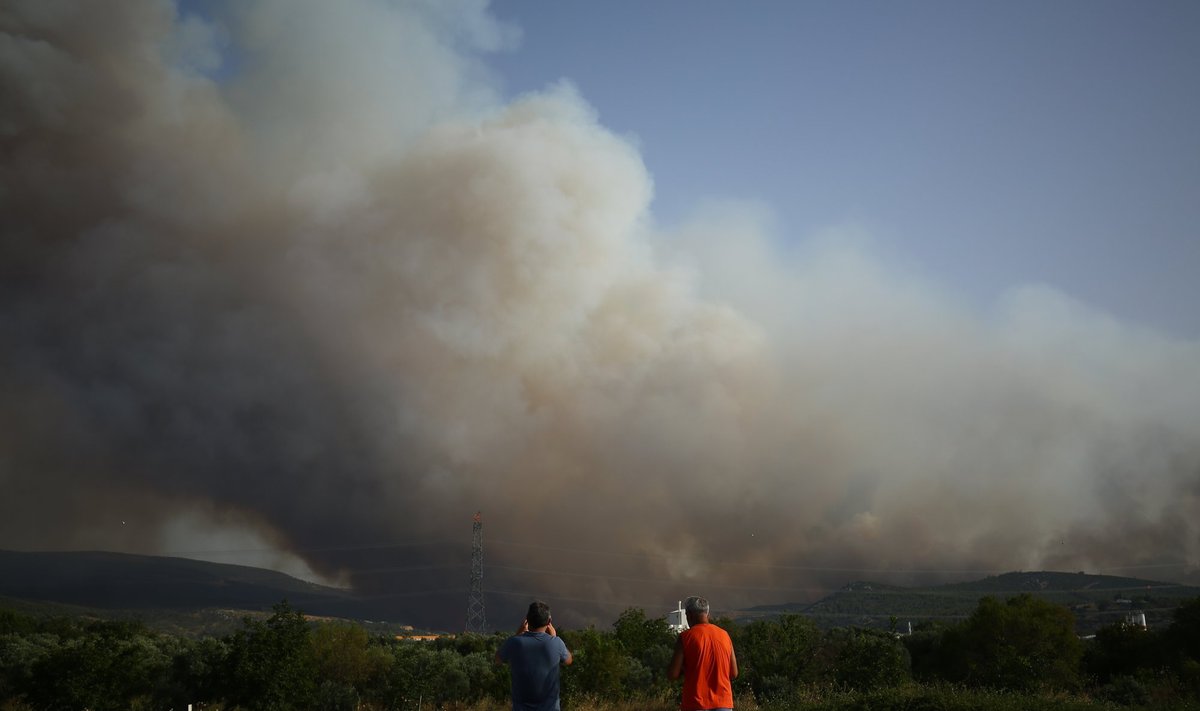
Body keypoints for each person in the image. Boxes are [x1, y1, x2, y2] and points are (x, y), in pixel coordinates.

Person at [495, 600, 573, 711]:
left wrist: (517, 634)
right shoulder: (556, 643)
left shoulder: (514, 642)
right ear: (549, 621)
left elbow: (497, 659)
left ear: (527, 620)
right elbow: (569, 660)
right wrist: (554, 638)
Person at [667, 595, 738, 711]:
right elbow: (734, 673)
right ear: (707, 614)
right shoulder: (725, 635)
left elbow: (672, 674)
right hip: (723, 703)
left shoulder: (685, 637)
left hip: (696, 703)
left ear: (688, 615)